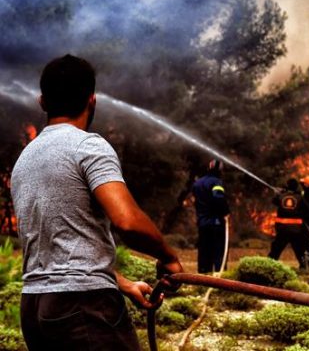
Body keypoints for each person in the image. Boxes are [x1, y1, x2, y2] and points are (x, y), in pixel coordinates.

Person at [10, 54, 183, 351]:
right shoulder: (87, 145)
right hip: (83, 307)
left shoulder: (25, 160)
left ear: (42, 102)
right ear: (92, 100)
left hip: (35, 309)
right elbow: (127, 222)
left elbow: (61, 250)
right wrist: (168, 257)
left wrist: (124, 284)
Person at [192, 158, 230, 273]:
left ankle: (203, 276)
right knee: (219, 252)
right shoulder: (216, 182)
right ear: (220, 170)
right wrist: (226, 212)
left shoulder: (197, 183)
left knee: (204, 251)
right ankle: (220, 278)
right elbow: (218, 198)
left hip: (202, 223)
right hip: (216, 222)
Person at [268, 178, 309, 268]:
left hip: (282, 229)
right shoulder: (299, 197)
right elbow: (308, 210)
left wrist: (277, 193)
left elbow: (274, 201)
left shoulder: (281, 196)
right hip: (296, 230)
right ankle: (303, 266)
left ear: (287, 186)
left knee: (276, 249)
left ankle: (269, 265)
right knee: (299, 249)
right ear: (296, 187)